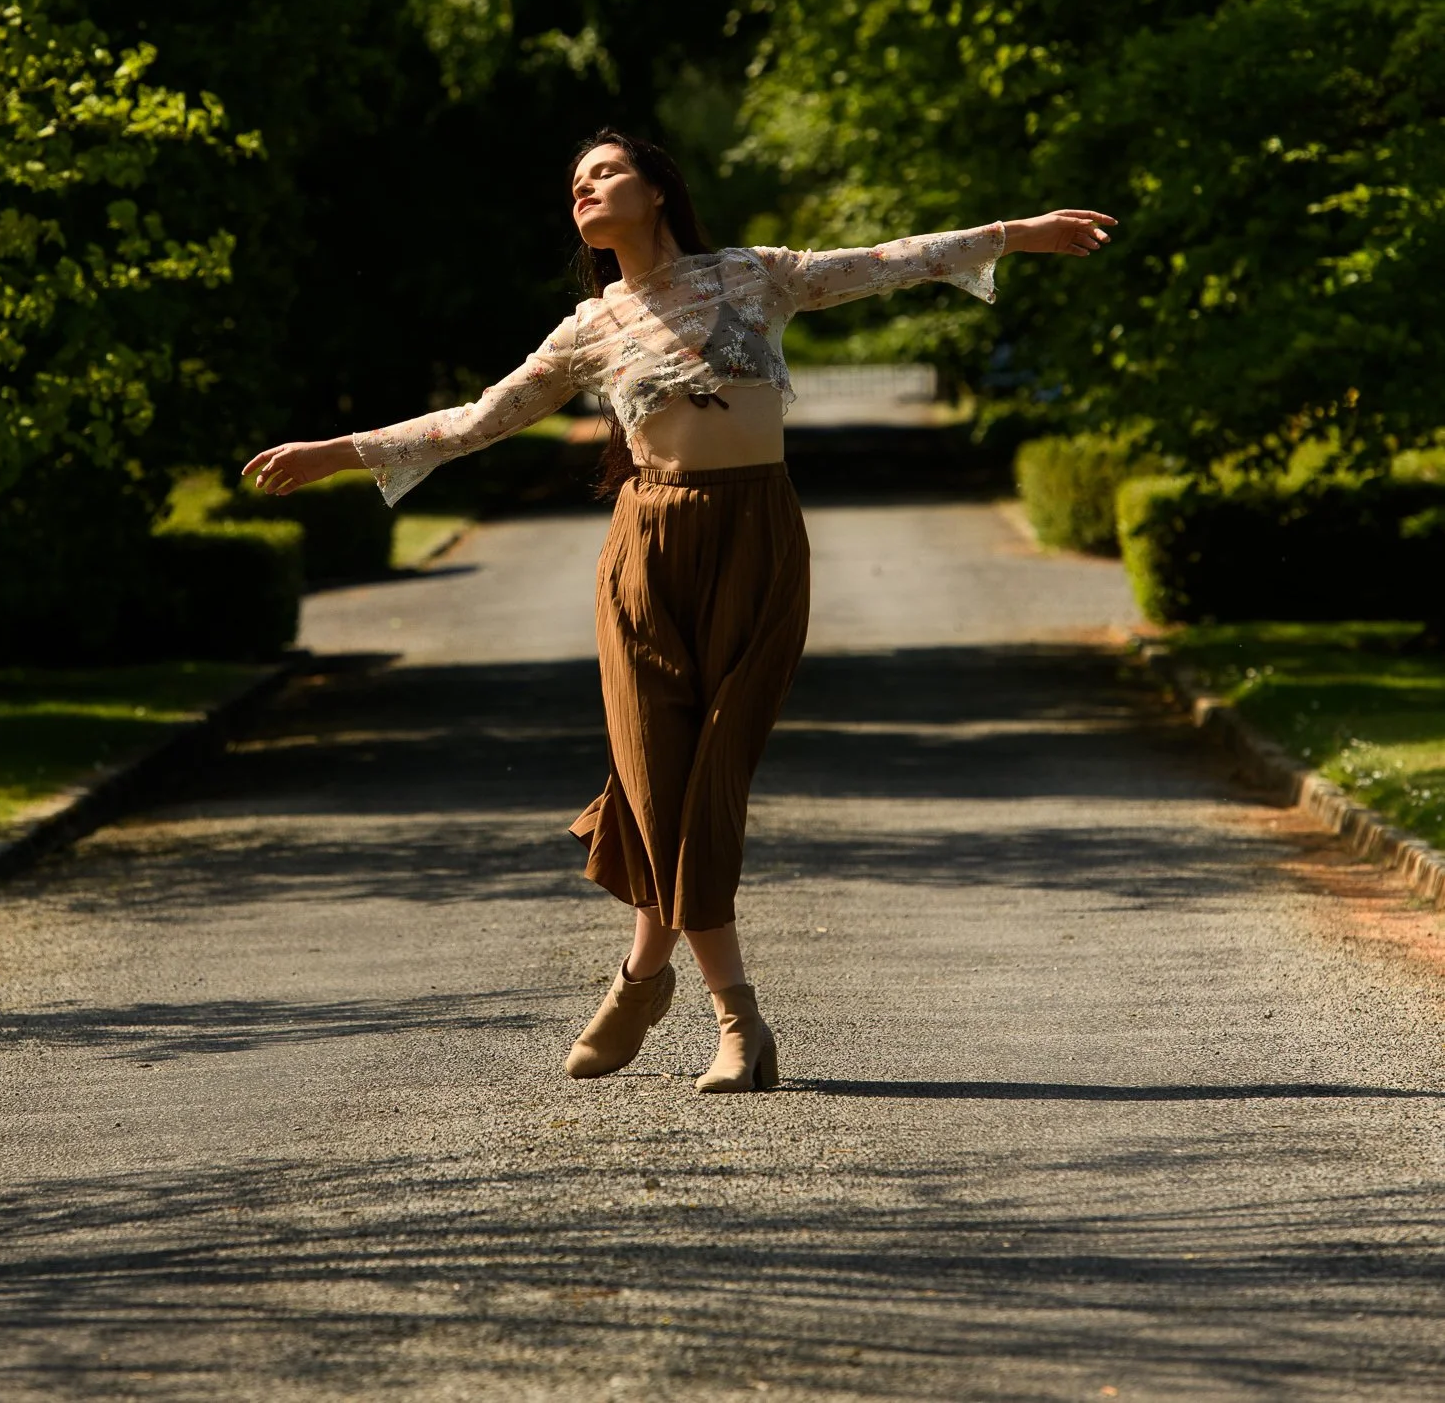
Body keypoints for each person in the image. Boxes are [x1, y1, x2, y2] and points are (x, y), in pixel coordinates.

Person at [246, 130, 1114, 1094]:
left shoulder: (753, 276)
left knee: (708, 769)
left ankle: (639, 980)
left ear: (657, 190)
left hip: (757, 539)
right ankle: (736, 1018)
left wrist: (1014, 233)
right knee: (656, 772)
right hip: (646, 554)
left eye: (605, 172)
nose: (584, 189)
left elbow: (883, 261)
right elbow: (474, 422)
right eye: (575, 182)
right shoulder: (588, 327)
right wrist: (339, 451)